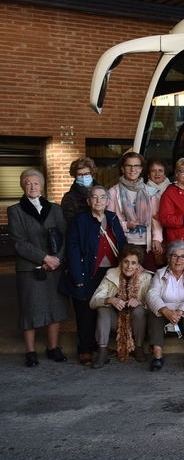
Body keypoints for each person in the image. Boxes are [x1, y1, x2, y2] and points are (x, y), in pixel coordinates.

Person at [8, 169, 71, 367]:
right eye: (28, 183)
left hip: (55, 267)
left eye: (36, 183)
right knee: (31, 310)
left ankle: (53, 348)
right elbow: (19, 242)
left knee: (56, 308)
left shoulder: (55, 208)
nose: (32, 187)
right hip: (30, 267)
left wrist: (57, 259)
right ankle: (31, 351)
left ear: (42, 186)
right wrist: (44, 257)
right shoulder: (15, 210)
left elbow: (64, 236)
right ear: (22, 186)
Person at [60, 185, 127, 366]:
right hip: (88, 271)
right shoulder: (79, 220)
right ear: (89, 201)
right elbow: (72, 250)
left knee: (104, 309)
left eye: (102, 197)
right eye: (94, 197)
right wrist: (78, 277)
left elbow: (122, 244)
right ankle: (84, 349)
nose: (99, 201)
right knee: (85, 311)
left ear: (107, 200)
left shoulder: (112, 218)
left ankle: (100, 345)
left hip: (111, 272)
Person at [89, 244, 152, 367]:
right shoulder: (111, 274)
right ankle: (102, 352)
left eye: (133, 263)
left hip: (137, 321)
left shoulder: (146, 278)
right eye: (126, 262)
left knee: (139, 310)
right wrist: (109, 299)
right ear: (120, 262)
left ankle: (138, 348)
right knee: (103, 309)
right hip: (116, 321)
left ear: (138, 264)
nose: (129, 266)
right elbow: (93, 302)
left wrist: (140, 302)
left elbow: (153, 305)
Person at [145, 240, 184, 371]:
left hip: (182, 316)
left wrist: (180, 311)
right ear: (168, 258)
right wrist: (165, 310)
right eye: (174, 256)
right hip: (166, 314)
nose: (178, 260)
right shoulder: (160, 274)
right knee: (156, 311)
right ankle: (157, 355)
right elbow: (151, 294)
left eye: (183, 256)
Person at [107, 152, 163, 270]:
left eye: (136, 166)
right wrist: (126, 225)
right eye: (129, 166)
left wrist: (157, 239)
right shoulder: (113, 192)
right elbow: (109, 221)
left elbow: (155, 219)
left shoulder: (150, 192)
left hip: (146, 245)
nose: (133, 169)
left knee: (149, 278)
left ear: (141, 169)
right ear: (122, 169)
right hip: (125, 245)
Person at [60, 157, 98, 225]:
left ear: (92, 174)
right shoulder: (69, 198)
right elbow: (69, 222)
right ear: (75, 176)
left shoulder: (102, 191)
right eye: (79, 175)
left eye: (86, 174)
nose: (83, 177)